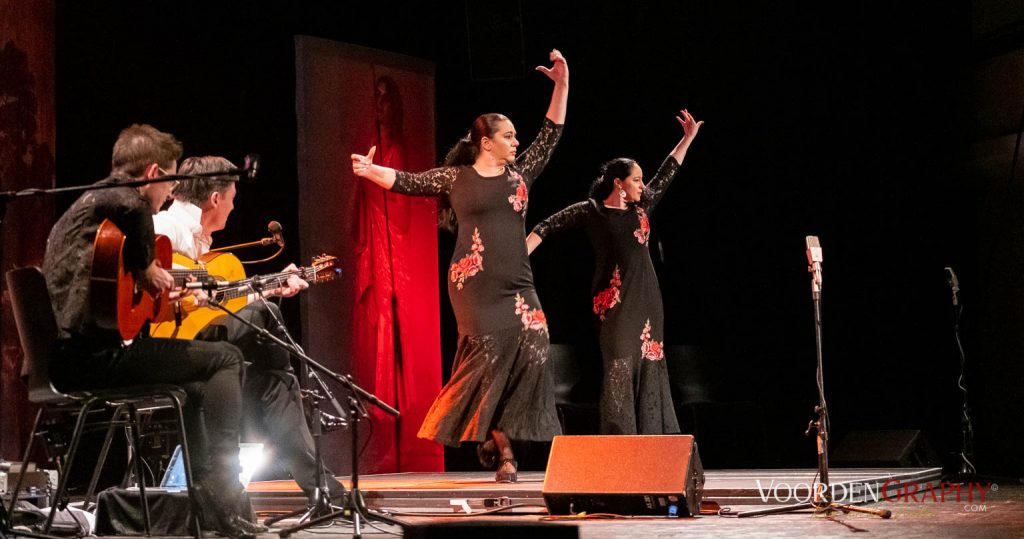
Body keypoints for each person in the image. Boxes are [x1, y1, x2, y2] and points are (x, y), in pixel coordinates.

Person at [350, 49, 569, 482]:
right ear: (485, 142)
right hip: (474, 286)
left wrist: (562, 85)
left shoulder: (519, 176)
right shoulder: (456, 179)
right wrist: (370, 170)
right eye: (508, 136)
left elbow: (552, 133)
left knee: (535, 352)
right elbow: (409, 182)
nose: (516, 142)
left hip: (519, 286)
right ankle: (505, 453)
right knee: (488, 362)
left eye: (515, 136)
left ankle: (496, 436)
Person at [42, 125, 263, 538]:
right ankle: (222, 487)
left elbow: (119, 295)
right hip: (95, 362)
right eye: (169, 184)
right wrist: (153, 274)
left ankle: (205, 499)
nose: (170, 196)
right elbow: (141, 242)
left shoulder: (85, 211)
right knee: (227, 358)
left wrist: (155, 282)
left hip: (66, 359)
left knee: (199, 383)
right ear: (152, 174)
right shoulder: (128, 205)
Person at [152, 155, 347, 503]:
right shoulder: (166, 227)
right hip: (170, 347)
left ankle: (324, 494)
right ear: (215, 198)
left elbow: (221, 304)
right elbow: (142, 275)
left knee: (275, 382)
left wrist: (274, 285)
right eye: (231, 199)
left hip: (210, 351)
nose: (231, 208)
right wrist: (180, 286)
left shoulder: (206, 251)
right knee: (267, 317)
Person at [527, 109, 703, 435]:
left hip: (649, 303)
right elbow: (547, 226)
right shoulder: (593, 212)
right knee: (619, 368)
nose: (642, 185)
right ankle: (620, 450)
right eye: (636, 179)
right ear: (618, 184)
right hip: (614, 307)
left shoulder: (642, 207)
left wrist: (687, 138)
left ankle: (655, 453)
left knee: (652, 370)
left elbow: (668, 172)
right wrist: (518, 256)